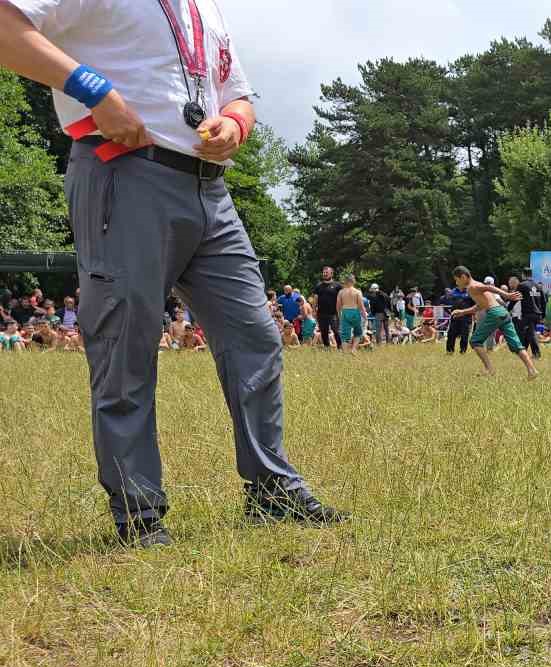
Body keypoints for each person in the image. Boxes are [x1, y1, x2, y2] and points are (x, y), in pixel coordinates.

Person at [0, 0, 345, 545]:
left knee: (255, 336)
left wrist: (233, 124)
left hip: (210, 186)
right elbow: (6, 26)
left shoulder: (203, 7)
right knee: (125, 345)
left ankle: (272, 490)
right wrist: (95, 90)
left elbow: (236, 91)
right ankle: (139, 514)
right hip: (124, 168)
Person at [450, 266, 538, 379]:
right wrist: (463, 312)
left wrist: (506, 295)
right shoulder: (475, 287)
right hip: (503, 313)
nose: (456, 283)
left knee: (475, 341)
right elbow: (480, 305)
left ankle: (489, 369)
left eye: (457, 280)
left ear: (463, 277)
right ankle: (532, 370)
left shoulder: (472, 286)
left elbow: (488, 287)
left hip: (494, 313)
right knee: (517, 345)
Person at [507, 275, 542, 360]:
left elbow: (514, 301)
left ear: (514, 283)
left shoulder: (521, 288)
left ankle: (536, 354)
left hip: (524, 315)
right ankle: (524, 352)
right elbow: (542, 301)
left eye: (510, 283)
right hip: (533, 314)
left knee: (529, 334)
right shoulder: (535, 286)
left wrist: (507, 309)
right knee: (526, 335)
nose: (509, 284)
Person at [312, 267, 341, 350]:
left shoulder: (337, 285)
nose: (324, 274)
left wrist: (341, 310)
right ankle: (326, 347)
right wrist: (314, 310)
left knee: (336, 331)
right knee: (323, 332)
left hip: (334, 313)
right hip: (321, 313)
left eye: (326, 272)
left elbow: (341, 298)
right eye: (323, 272)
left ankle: (340, 346)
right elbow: (315, 298)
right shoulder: (318, 285)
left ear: (331, 274)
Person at [337, 275, 366, 352]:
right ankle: (353, 349)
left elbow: (338, 305)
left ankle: (345, 351)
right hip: (355, 311)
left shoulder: (341, 292)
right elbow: (361, 305)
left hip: (345, 311)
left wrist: (339, 314)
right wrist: (364, 315)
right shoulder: (357, 292)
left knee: (344, 335)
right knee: (358, 332)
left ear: (346, 282)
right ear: (353, 281)